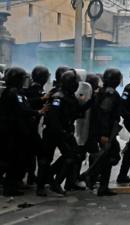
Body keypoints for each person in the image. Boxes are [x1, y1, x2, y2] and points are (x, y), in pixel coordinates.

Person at [37, 70, 86, 196]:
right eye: (75, 83)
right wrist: (62, 133)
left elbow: (77, 112)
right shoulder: (58, 97)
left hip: (65, 132)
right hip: (54, 133)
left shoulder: (70, 96)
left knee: (73, 156)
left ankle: (54, 180)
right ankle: (41, 186)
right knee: (45, 159)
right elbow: (53, 119)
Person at [0, 67, 46, 196]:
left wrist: (41, 100)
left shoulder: (15, 92)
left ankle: (13, 184)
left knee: (15, 159)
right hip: (13, 132)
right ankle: (10, 188)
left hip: (15, 131)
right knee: (14, 159)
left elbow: (25, 103)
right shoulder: (13, 92)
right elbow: (22, 109)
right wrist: (38, 112)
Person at [84, 68, 122, 196]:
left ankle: (99, 183)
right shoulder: (109, 94)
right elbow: (104, 113)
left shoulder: (102, 91)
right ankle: (92, 176)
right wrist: (104, 134)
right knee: (111, 156)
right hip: (106, 132)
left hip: (106, 131)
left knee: (110, 156)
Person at [22, 66, 51, 185]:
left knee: (31, 153)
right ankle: (38, 180)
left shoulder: (33, 87)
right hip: (29, 126)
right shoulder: (35, 89)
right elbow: (27, 102)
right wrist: (42, 99)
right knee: (41, 152)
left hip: (31, 126)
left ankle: (31, 177)